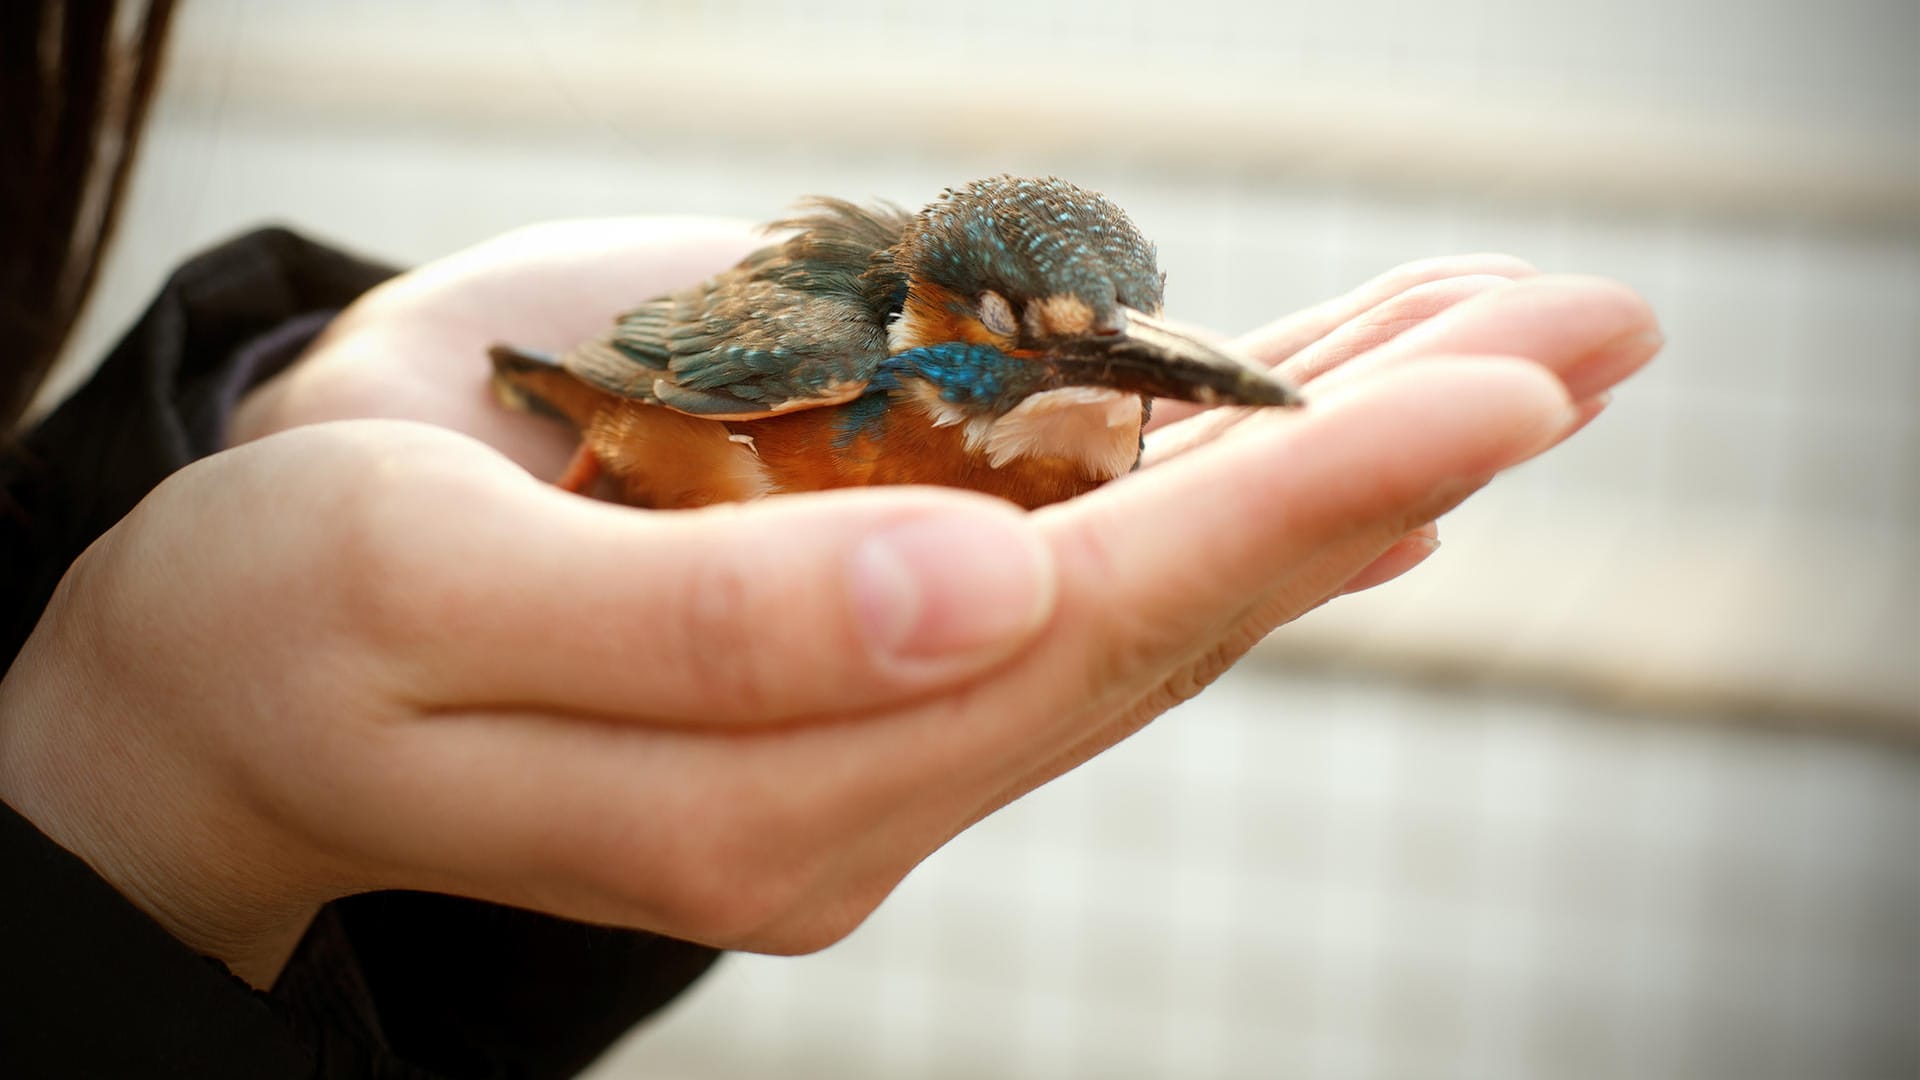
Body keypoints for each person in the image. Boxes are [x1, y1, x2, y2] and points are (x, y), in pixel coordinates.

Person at [0, 5, 1663, 1078]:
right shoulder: (818, 350)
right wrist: (129, 823)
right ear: (935, 309)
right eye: (1037, 337)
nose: (1110, 383)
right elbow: (612, 396)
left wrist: (247, 416)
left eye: (1122, 343)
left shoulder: (1100, 403)